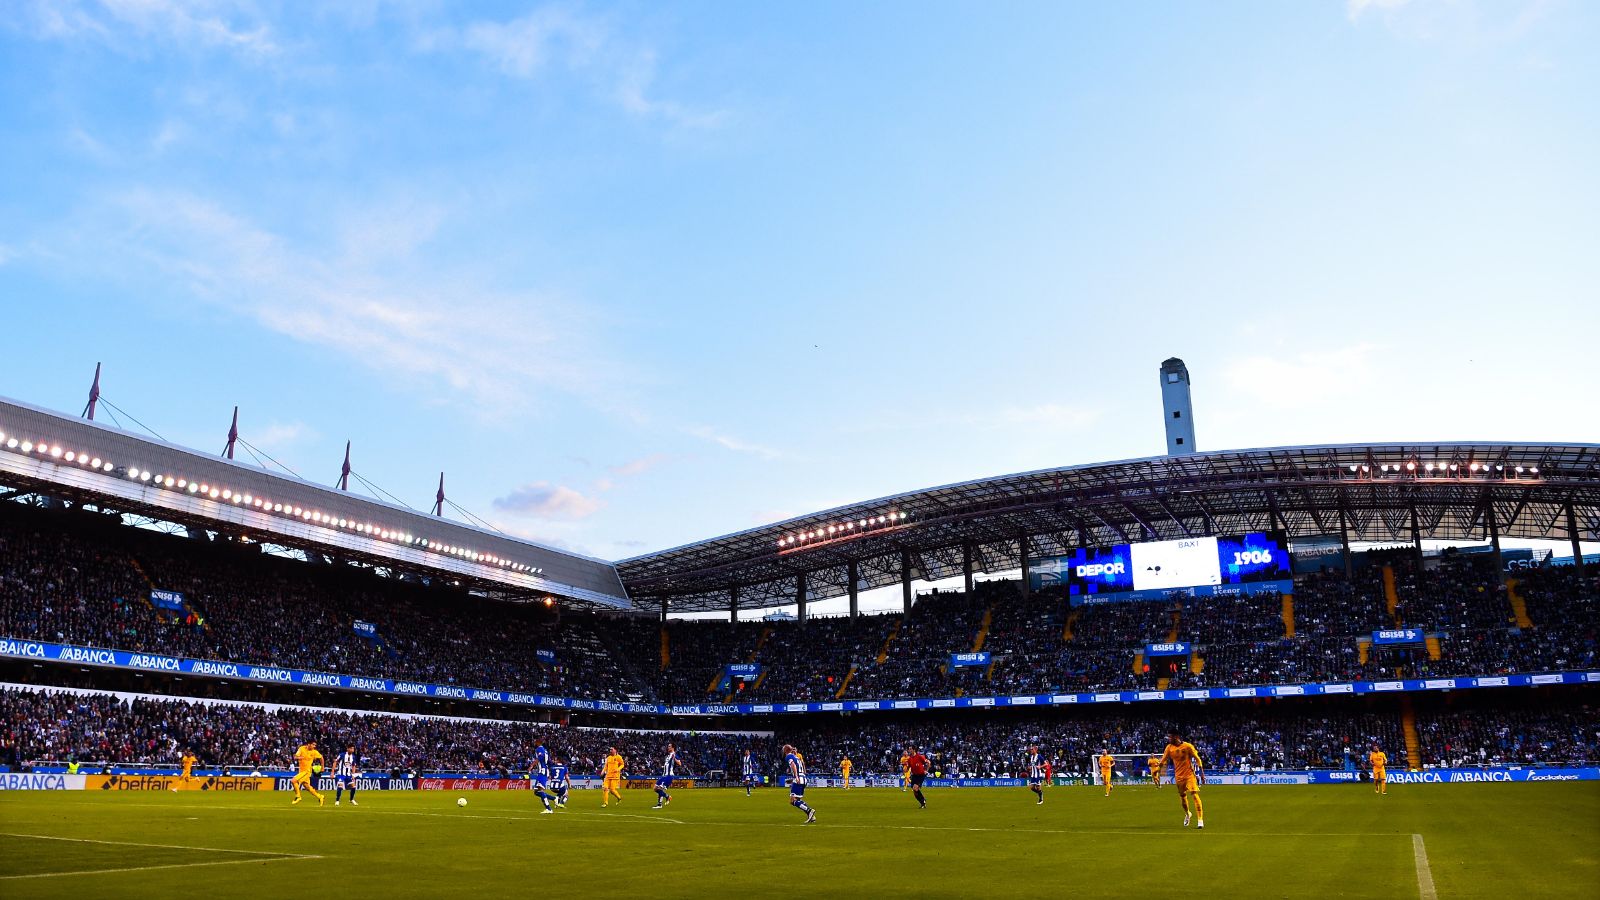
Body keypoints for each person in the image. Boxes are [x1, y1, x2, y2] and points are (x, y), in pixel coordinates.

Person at [1159, 731, 1205, 829]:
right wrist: (1158, 769)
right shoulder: (1169, 748)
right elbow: (1163, 760)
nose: (1169, 739)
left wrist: (1202, 773)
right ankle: (1188, 814)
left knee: (1194, 794)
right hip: (1179, 777)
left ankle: (1200, 820)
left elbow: (1198, 759)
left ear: (1176, 737)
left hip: (1189, 775)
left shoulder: (1188, 746)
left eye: (1170, 737)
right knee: (1183, 796)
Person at [784, 744, 817, 824]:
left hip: (798, 779)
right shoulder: (796, 757)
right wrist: (794, 779)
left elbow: (793, 765)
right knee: (797, 800)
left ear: (785, 750)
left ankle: (809, 810)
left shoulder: (788, 756)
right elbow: (799, 768)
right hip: (803, 778)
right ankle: (811, 816)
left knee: (792, 800)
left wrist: (796, 777)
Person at [291, 741, 324, 806]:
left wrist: (322, 767)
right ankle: (320, 796)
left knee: (293, 780)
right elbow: (295, 757)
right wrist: (300, 757)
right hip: (301, 771)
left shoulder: (315, 752)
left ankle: (298, 796)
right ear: (309, 744)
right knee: (307, 787)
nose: (314, 746)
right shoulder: (301, 748)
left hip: (307, 771)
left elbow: (321, 758)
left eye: (315, 745)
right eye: (313, 745)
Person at [530, 739, 557, 814]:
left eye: (535, 742)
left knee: (539, 790)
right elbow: (550, 762)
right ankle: (554, 798)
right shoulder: (545, 751)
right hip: (544, 771)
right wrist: (550, 773)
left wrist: (532, 765)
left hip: (542, 771)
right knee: (536, 792)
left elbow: (540, 757)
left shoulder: (539, 749)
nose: (534, 743)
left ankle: (548, 809)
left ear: (538, 742)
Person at [654, 743, 681, 809]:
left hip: (669, 776)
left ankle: (660, 803)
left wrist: (675, 759)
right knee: (655, 788)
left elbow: (679, 763)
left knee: (660, 788)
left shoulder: (674, 755)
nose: (668, 747)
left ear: (673, 748)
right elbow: (668, 765)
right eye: (668, 746)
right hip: (664, 775)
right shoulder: (669, 755)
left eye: (669, 746)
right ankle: (666, 797)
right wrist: (662, 766)